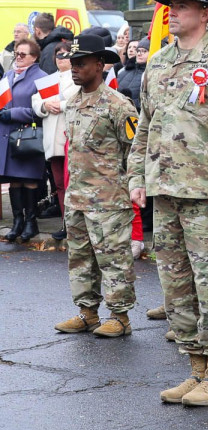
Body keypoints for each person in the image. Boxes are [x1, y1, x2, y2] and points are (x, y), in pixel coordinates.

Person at [128, 0, 208, 407]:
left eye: (181, 5)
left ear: (205, 12)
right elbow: (145, 125)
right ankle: (195, 368)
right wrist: (136, 177)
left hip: (207, 193)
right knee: (176, 284)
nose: (171, 10)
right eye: (169, 4)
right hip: (165, 191)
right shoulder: (158, 61)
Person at [51, 34, 139, 338]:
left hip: (109, 200)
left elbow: (135, 151)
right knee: (80, 258)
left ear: (100, 65)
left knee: (113, 258)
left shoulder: (118, 105)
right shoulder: (73, 103)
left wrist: (132, 189)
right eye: (72, 63)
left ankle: (120, 316)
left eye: (81, 63)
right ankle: (87, 312)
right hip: (77, 198)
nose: (74, 68)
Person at [1, 37, 48, 243]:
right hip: (7, 135)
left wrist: (14, 114)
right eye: (16, 54)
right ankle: (18, 221)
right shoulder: (8, 75)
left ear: (34, 57)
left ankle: (31, 222)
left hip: (28, 135)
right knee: (14, 180)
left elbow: (44, 109)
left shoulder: (43, 77)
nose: (18, 57)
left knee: (28, 179)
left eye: (23, 54)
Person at [33, 40, 78, 242]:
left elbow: (78, 99)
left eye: (66, 54)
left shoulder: (78, 77)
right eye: (58, 55)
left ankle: (75, 224)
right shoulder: (49, 79)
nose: (62, 58)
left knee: (72, 184)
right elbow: (36, 101)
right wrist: (44, 105)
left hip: (70, 135)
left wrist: (59, 104)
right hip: (53, 136)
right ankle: (65, 223)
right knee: (59, 184)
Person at [117, 38, 149, 111]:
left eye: (144, 51)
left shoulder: (151, 75)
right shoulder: (123, 71)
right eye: (138, 51)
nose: (139, 53)